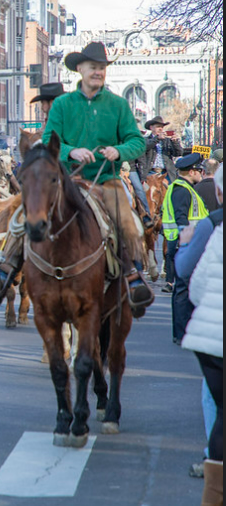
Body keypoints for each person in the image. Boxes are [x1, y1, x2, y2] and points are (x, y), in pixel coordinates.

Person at [0, 41, 153, 316]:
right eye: (92, 67)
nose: (97, 72)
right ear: (80, 70)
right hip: (66, 180)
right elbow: (49, 139)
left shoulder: (118, 105)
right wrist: (73, 151)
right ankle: (6, 267)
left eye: (101, 68)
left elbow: (137, 141)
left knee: (129, 223)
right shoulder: (62, 105)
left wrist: (117, 150)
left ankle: (134, 277)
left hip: (105, 180)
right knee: (25, 215)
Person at [175, 164, 222, 481]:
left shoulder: (213, 226)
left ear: (218, 193)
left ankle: (134, 269)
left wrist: (183, 243)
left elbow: (193, 279)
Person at [160, 152, 208, 342]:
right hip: (183, 244)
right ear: (191, 171)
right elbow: (182, 219)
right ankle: (181, 334)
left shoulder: (184, 188)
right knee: (182, 290)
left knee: (184, 289)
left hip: (183, 244)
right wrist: (187, 245)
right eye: (199, 170)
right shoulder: (182, 190)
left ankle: (183, 331)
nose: (201, 173)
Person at [139, 116, 183, 182]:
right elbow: (145, 147)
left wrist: (175, 142)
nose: (160, 129)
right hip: (150, 172)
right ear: (151, 127)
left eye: (162, 127)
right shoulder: (146, 140)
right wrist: (157, 138)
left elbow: (178, 153)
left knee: (171, 190)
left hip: (166, 173)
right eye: (158, 126)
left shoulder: (167, 141)